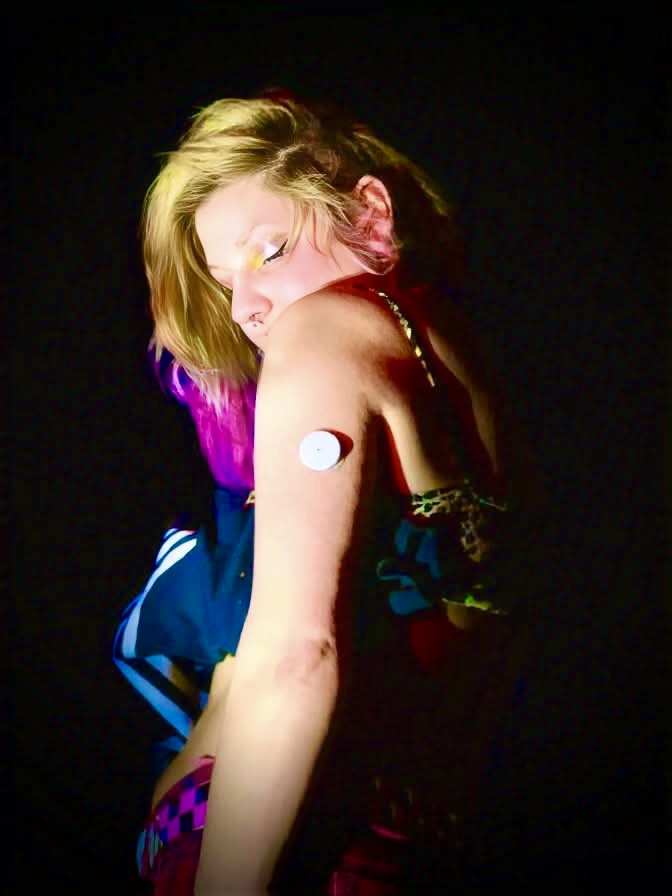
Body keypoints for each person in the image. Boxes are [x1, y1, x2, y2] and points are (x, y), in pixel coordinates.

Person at [124, 87, 544, 895]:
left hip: (287, 835)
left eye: (269, 251)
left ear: (372, 215)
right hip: (420, 835)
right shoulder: (464, 362)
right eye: (223, 280)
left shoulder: (320, 334)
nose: (246, 306)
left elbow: (297, 655)